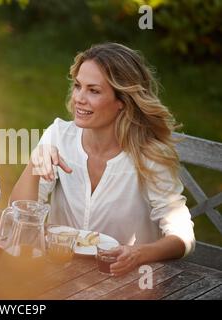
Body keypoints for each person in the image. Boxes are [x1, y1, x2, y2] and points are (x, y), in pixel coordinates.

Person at [10, 43, 195, 276]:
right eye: (78, 86)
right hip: (58, 272)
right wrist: (33, 167)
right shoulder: (59, 135)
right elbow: (19, 218)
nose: (79, 98)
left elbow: (182, 236)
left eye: (93, 91)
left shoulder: (149, 155)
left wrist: (138, 253)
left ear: (123, 101)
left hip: (124, 280)